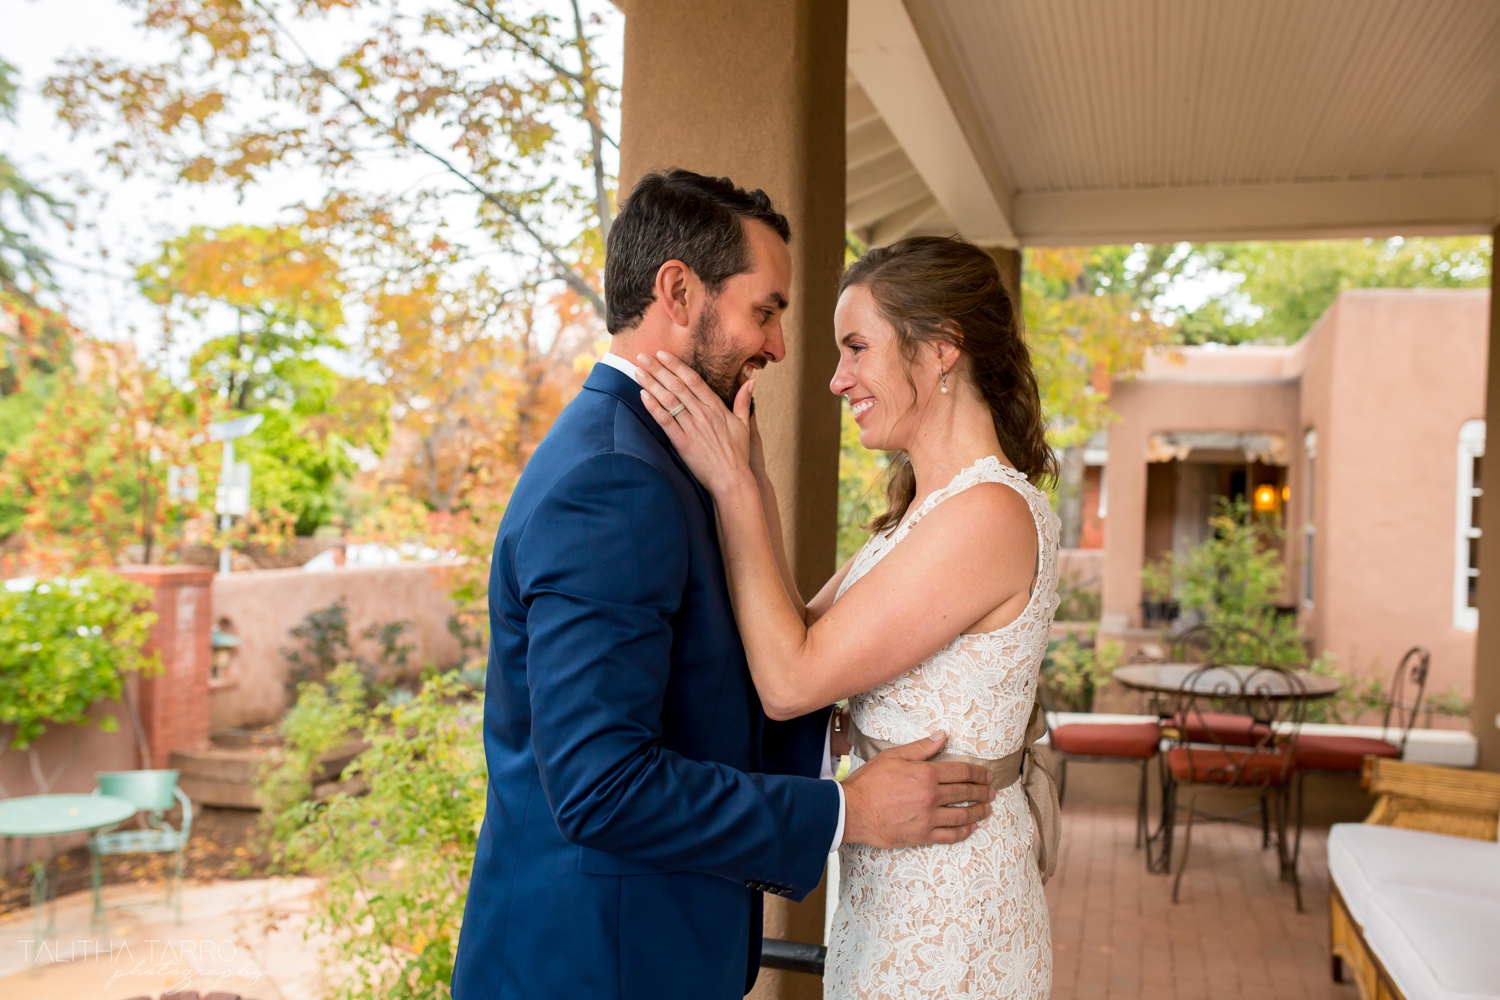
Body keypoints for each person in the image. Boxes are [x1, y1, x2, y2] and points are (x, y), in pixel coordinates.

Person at [451, 172, 999, 1000]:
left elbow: (718, 686)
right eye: (766, 310)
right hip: (595, 969)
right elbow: (602, 788)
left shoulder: (667, 458)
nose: (779, 348)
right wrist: (847, 813)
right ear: (678, 290)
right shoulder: (611, 478)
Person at [634, 234, 1062, 999]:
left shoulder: (988, 515)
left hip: (950, 910)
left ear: (940, 349)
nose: (838, 379)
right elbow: (798, 633)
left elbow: (792, 679)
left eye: (857, 347)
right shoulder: (925, 516)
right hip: (892, 888)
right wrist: (753, 473)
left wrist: (732, 489)